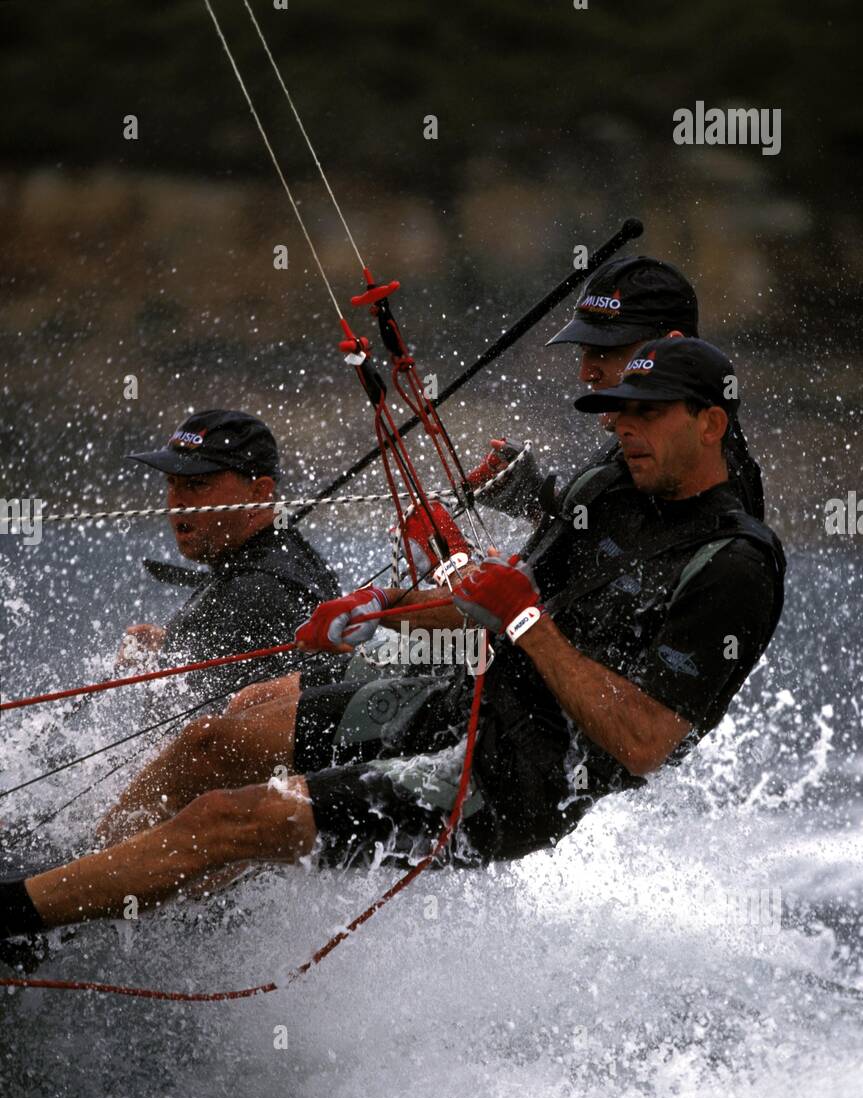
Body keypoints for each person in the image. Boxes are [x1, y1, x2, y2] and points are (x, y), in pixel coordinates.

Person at [0, 338, 785, 939]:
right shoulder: (609, 488)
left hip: (514, 780)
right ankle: (76, 880)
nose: (620, 428)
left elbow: (643, 741)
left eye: (644, 414)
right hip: (464, 696)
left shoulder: (733, 566)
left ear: (710, 422)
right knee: (216, 739)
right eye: (615, 411)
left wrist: (525, 622)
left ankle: (22, 923)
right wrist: (373, 618)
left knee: (234, 818)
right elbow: (493, 604)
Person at [470, 255, 765, 524]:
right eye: (585, 350)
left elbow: (642, 569)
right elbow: (597, 556)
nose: (586, 373)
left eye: (606, 351)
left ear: (670, 344)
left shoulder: (692, 473)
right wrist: (534, 505)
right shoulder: (649, 446)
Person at [118, 409, 342, 696]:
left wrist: (177, 654)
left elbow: (200, 731)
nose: (176, 503)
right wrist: (169, 648)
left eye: (197, 484)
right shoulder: (287, 554)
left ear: (260, 492)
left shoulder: (255, 592)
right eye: (172, 483)